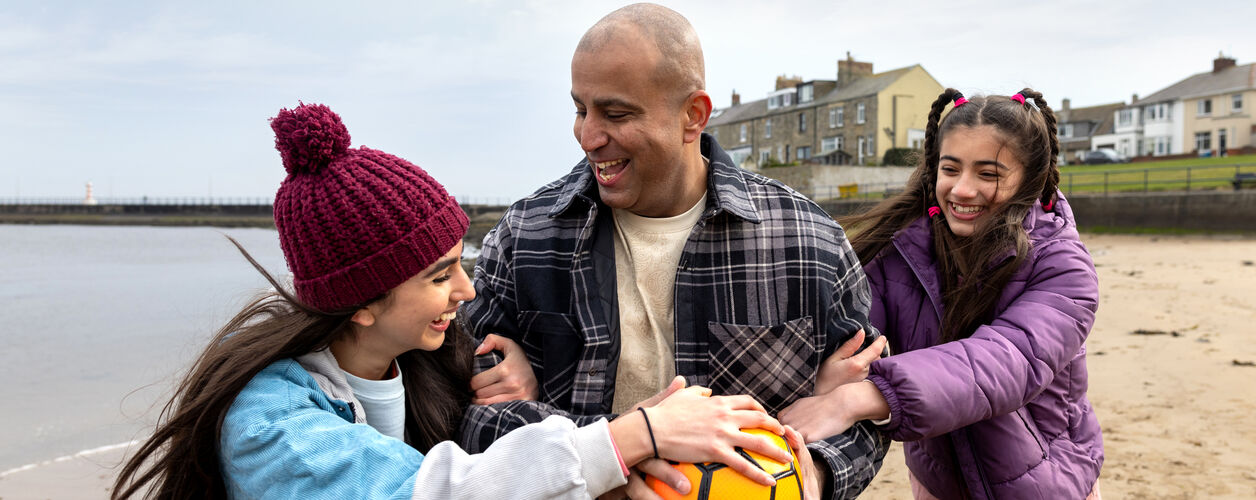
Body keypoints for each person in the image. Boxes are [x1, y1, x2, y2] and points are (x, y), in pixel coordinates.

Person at [110, 103, 805, 499]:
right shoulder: (271, 424)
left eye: (461, 264)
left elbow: (516, 451)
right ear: (362, 303)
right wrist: (636, 436)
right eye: (439, 277)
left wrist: (834, 405)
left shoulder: (430, 363)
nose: (467, 291)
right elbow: (444, 491)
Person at [459, 4, 888, 499]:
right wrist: (613, 456)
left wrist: (814, 473)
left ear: (693, 116)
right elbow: (455, 411)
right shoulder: (524, 237)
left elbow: (862, 414)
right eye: (580, 109)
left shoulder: (809, 241)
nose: (588, 137)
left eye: (615, 113)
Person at [778, 88, 1105, 500]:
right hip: (939, 485)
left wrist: (859, 398)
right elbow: (850, 335)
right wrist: (827, 374)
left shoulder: (1063, 265)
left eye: (988, 174)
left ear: (1031, 179)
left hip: (1048, 484)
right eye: (951, 169)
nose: (962, 190)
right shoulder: (899, 254)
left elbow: (1007, 361)